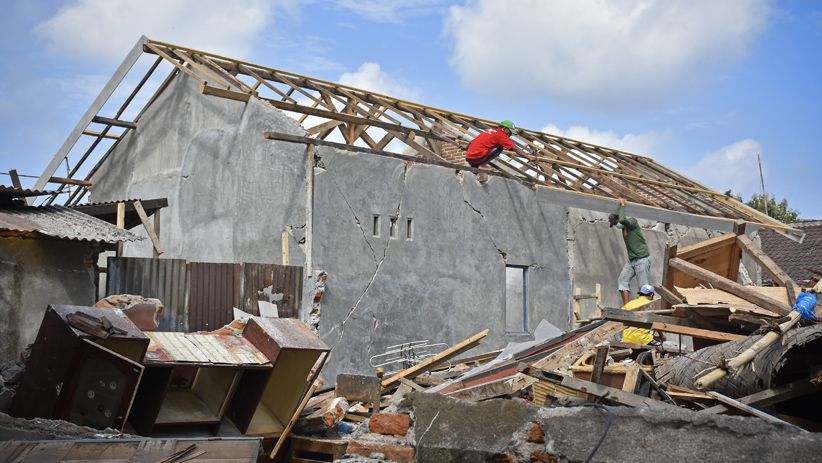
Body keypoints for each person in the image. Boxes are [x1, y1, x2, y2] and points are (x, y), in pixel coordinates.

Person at [610, 197, 651, 305]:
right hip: (632, 260)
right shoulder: (623, 228)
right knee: (622, 281)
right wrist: (614, 221)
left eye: (616, 223)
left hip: (642, 259)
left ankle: (645, 309)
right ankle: (627, 308)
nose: (616, 225)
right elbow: (621, 223)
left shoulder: (632, 221)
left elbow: (623, 220)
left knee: (643, 286)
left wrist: (623, 205)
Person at [465, 120, 530, 168]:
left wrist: (465, 148)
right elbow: (515, 148)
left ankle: (476, 164)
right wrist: (529, 158)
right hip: (477, 158)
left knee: (493, 145)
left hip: (468, 157)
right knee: (499, 147)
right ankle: (482, 164)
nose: (510, 135)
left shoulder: (488, 130)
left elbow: (472, 141)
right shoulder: (501, 135)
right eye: (510, 132)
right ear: (504, 129)